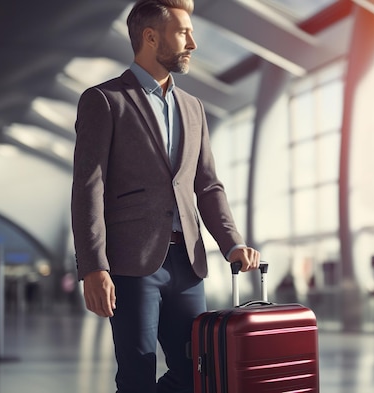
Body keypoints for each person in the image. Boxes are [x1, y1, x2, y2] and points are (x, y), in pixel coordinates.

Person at [70, 1, 261, 392]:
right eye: (182, 33)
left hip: (189, 265)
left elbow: (207, 186)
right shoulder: (105, 100)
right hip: (131, 266)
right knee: (137, 374)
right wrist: (93, 267)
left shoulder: (193, 108)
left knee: (200, 371)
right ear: (150, 36)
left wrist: (233, 243)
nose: (192, 42)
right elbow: (89, 188)